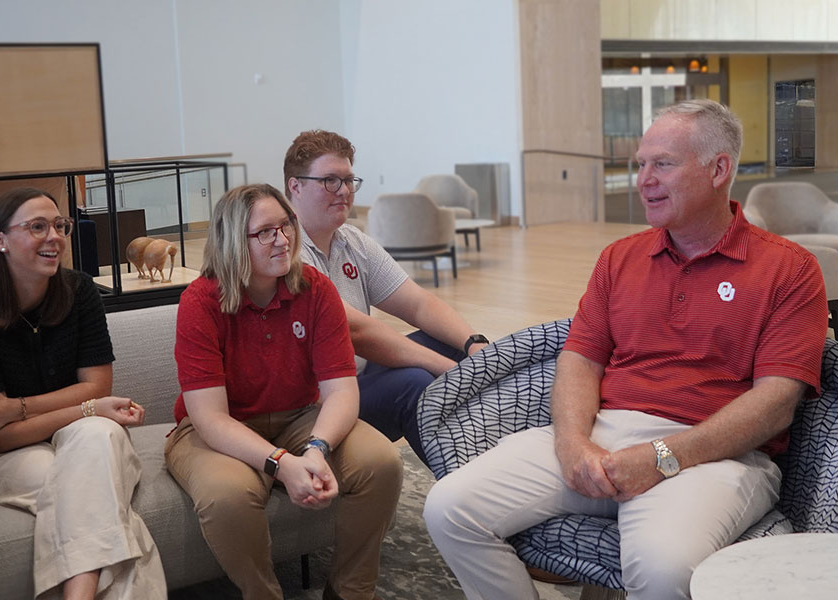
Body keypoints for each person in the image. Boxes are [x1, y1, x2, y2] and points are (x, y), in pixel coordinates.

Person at [423, 99, 829, 599]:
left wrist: (661, 457)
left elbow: (775, 405)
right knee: (449, 508)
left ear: (719, 169)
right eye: (640, 164)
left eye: (663, 163)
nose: (644, 179)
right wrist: (573, 445)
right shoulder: (621, 257)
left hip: (717, 456)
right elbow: (579, 359)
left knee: (664, 569)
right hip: (603, 435)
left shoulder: (789, 269)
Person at [164, 183, 403, 600]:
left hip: (298, 415)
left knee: (381, 462)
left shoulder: (315, 288)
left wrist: (315, 449)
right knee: (228, 496)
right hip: (216, 429)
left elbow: (342, 391)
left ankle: (350, 591)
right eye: (266, 232)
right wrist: (280, 463)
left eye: (287, 225)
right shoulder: (200, 302)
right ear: (233, 241)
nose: (284, 239)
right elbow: (210, 418)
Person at [0, 187, 166, 599]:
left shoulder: (79, 291)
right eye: (37, 227)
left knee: (98, 438)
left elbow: (97, 387)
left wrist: (15, 407)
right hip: (0, 457)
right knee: (95, 491)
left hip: (84, 437)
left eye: (59, 226)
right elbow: (1, 435)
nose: (55, 237)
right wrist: (89, 406)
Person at [284, 130, 489, 463]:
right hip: (318, 403)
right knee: (416, 381)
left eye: (349, 180)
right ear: (296, 186)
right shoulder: (284, 251)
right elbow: (357, 332)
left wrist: (474, 345)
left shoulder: (351, 240)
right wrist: (448, 369)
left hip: (356, 376)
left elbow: (418, 303)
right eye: (331, 181)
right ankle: (468, 482)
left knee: (454, 344)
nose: (345, 191)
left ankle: (499, 454)